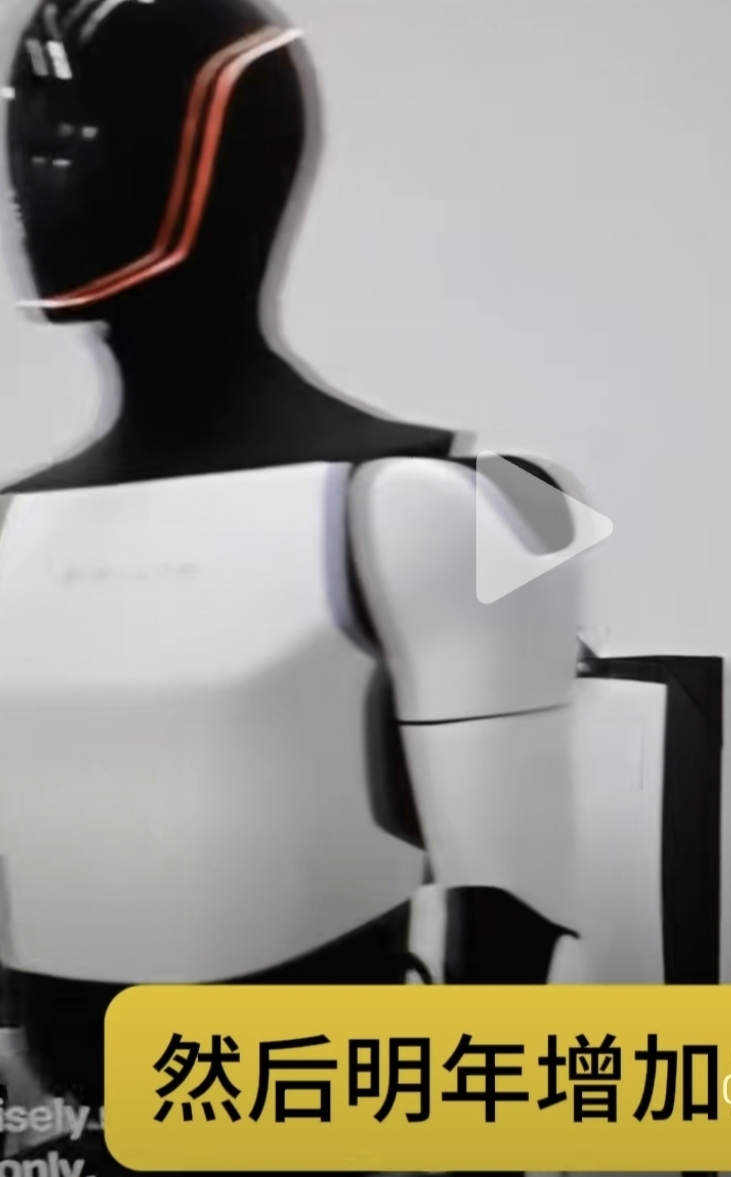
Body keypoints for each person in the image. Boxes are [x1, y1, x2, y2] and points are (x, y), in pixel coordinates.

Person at [0, 0, 581, 1149]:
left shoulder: (427, 508)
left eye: (78, 141)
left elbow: (514, 921)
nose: (35, 189)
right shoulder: (12, 531)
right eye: (25, 144)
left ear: (227, 153)